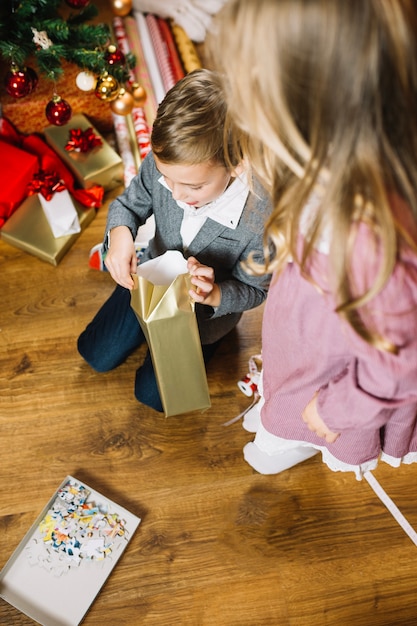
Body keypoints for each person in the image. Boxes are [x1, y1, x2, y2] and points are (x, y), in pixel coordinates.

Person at [208, 0, 417, 479]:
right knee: (289, 370)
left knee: (294, 416)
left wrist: (335, 412)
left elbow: (397, 365)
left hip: (336, 372)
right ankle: (284, 410)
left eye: (248, 92)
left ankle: (298, 433)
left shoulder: (370, 238)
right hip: (307, 329)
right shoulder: (331, 164)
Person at [77, 68, 271, 412]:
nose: (178, 195)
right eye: (168, 178)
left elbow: (256, 291)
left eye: (194, 187)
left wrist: (214, 294)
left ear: (236, 163)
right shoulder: (167, 163)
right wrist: (120, 235)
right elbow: (129, 204)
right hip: (148, 281)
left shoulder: (262, 219)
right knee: (94, 353)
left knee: (153, 397)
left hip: (202, 317)